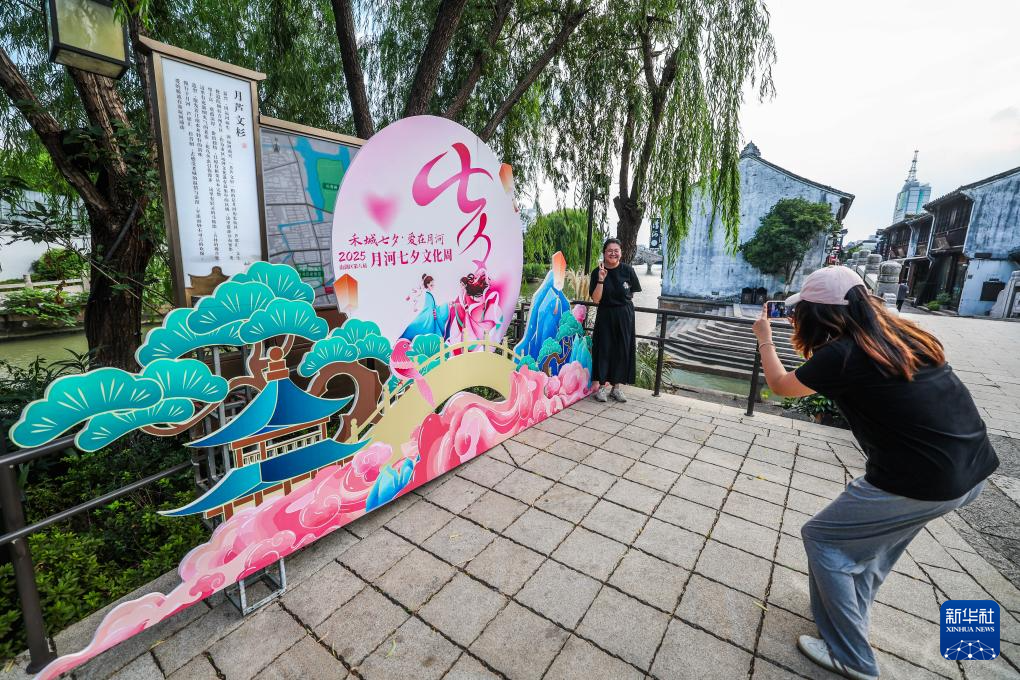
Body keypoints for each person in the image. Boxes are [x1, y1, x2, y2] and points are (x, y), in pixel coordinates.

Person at [752, 266, 998, 680]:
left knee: (823, 538)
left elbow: (780, 384)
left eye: (800, 311)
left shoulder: (843, 354)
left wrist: (764, 337)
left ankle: (853, 657)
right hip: (971, 468)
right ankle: (848, 618)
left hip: (920, 479)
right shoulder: (901, 335)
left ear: (817, 314)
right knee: (870, 553)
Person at [589, 238, 641, 402]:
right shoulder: (597, 272)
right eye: (609, 250)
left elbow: (632, 292)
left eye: (616, 250)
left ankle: (616, 388)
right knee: (603, 349)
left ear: (621, 253)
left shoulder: (628, 270)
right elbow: (596, 299)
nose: (613, 253)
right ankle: (601, 388)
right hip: (605, 314)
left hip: (624, 315)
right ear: (604, 253)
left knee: (621, 349)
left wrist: (622, 305)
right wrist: (601, 279)